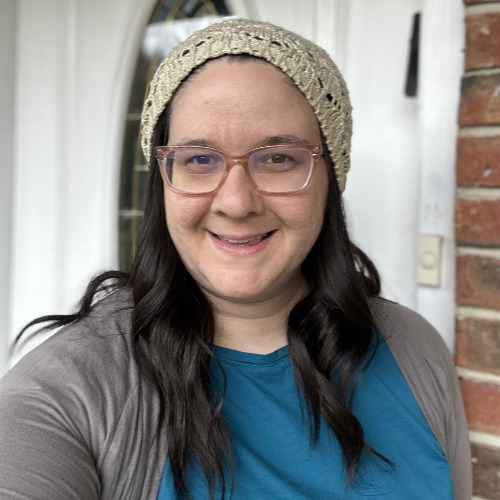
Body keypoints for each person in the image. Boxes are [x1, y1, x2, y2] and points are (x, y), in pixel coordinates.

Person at [0, 18, 471, 500]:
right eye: (199, 160)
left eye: (279, 158)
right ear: (163, 182)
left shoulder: (413, 349)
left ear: (329, 178)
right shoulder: (64, 394)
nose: (237, 203)